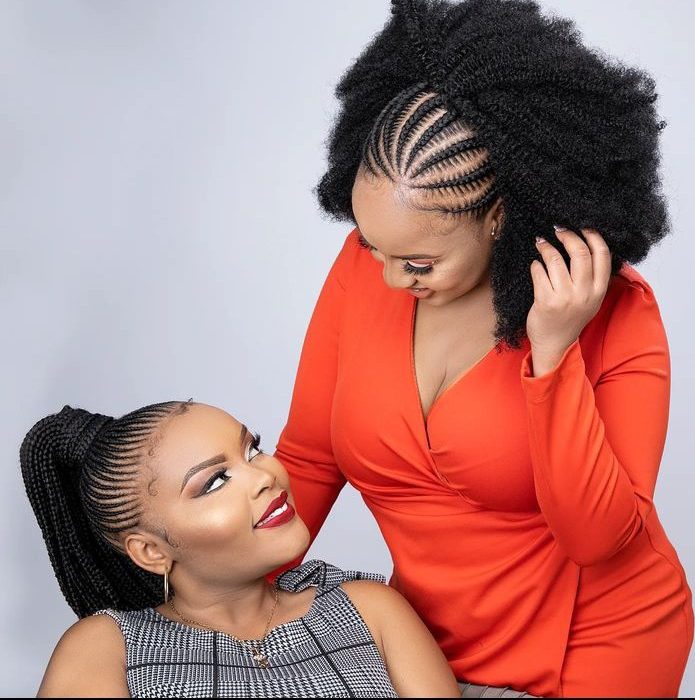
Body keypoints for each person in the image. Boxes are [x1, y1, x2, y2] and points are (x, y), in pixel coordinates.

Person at [272, 0, 694, 696]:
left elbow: (599, 540)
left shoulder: (615, 310)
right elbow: (312, 459)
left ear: (500, 216)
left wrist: (552, 355)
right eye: (373, 246)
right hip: (426, 645)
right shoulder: (369, 265)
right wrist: (215, 602)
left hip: (598, 643)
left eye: (418, 263)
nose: (389, 278)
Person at [20, 400, 461, 698]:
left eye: (252, 451)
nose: (265, 476)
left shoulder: (368, 608)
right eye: (215, 482)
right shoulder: (107, 648)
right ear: (151, 551)